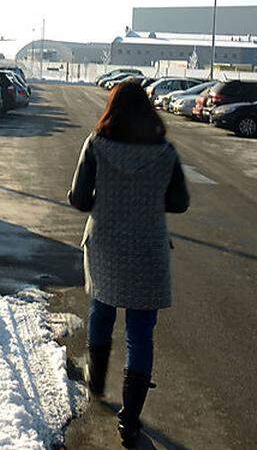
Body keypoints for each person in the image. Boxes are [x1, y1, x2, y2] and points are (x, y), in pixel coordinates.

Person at [68, 80, 189, 448]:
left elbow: (78, 198)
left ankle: (96, 381)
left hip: (105, 242)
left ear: (112, 108)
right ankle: (130, 421)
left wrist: (108, 204)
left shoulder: (97, 145)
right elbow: (180, 202)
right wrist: (147, 203)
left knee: (101, 312)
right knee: (140, 332)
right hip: (148, 248)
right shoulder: (165, 152)